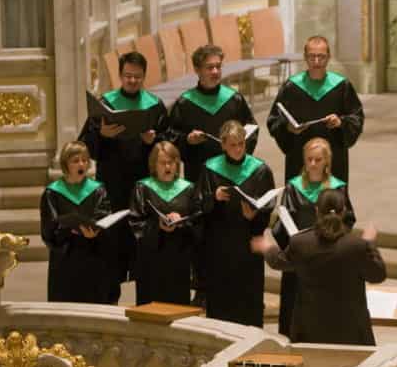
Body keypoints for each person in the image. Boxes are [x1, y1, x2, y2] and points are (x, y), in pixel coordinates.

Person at [78, 51, 168, 303]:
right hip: (113, 186)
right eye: (127, 76)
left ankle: (147, 304)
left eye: (137, 77)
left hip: (144, 188)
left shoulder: (154, 105)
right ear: (120, 75)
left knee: (144, 247)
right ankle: (109, 303)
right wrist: (102, 135)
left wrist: (154, 141)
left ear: (144, 77)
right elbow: (84, 147)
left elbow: (169, 148)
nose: (132, 81)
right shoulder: (106, 104)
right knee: (112, 247)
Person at [251, 190, 386, 345]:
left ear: (316, 211)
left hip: (309, 333)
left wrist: (268, 247)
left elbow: (279, 261)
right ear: (343, 212)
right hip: (351, 333)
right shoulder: (356, 246)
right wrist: (369, 243)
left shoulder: (300, 243)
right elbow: (378, 275)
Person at [194, 120, 275, 327]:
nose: (238, 149)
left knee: (249, 298)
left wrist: (254, 217)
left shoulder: (260, 170)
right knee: (222, 299)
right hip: (219, 244)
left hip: (247, 243)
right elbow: (198, 204)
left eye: (241, 144)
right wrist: (214, 197)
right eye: (233, 144)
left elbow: (268, 204)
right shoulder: (210, 168)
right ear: (222, 144)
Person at [272, 137, 355, 338]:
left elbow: (348, 220)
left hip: (327, 254)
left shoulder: (337, 188)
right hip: (300, 254)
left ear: (326, 162)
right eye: (309, 159)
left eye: (317, 160)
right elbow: (284, 221)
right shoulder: (293, 187)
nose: (312, 164)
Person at [266, 36, 364, 184]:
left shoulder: (341, 86)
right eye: (312, 57)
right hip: (299, 158)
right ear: (305, 57)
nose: (317, 62)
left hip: (333, 160)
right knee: (299, 201)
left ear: (329, 57)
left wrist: (340, 123)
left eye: (321, 57)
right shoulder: (292, 87)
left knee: (330, 201)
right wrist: (288, 127)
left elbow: (356, 118)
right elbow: (273, 120)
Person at [166, 44, 258, 186]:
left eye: (218, 66)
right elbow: (171, 136)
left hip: (232, 172)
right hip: (199, 174)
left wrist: (239, 151)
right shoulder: (185, 103)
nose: (215, 71)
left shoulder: (234, 99)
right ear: (197, 70)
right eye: (209, 67)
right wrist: (188, 140)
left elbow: (252, 128)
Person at [40, 141, 113, 303]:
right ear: (66, 164)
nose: (82, 164)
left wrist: (96, 230)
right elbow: (49, 228)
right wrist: (68, 230)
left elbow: (104, 215)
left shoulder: (97, 189)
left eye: (85, 160)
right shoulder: (52, 193)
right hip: (67, 257)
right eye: (75, 161)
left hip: (93, 254)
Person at [129, 141, 198, 306]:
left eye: (171, 162)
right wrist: (157, 226)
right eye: (163, 162)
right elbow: (135, 222)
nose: (168, 166)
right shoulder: (142, 188)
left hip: (178, 258)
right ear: (154, 165)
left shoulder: (188, 189)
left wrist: (180, 221)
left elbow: (197, 221)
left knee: (177, 308)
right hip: (151, 259)